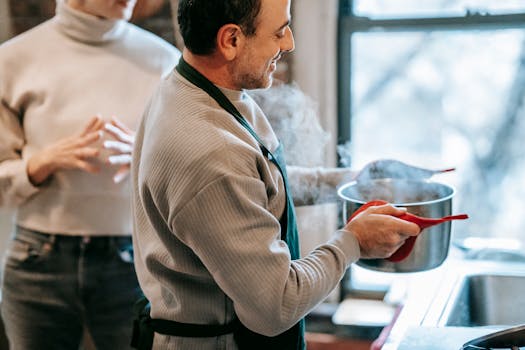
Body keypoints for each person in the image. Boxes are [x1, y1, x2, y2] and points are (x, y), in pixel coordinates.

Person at [130, 0, 420, 349]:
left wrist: (351, 183)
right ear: (231, 40)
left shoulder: (189, 89)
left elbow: (251, 185)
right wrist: (353, 242)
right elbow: (275, 306)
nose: (289, 44)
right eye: (279, 32)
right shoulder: (208, 151)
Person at [0, 0, 181, 349]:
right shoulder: (10, 61)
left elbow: (189, 178)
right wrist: (39, 164)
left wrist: (147, 157)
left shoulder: (164, 62)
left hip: (136, 261)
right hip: (37, 263)